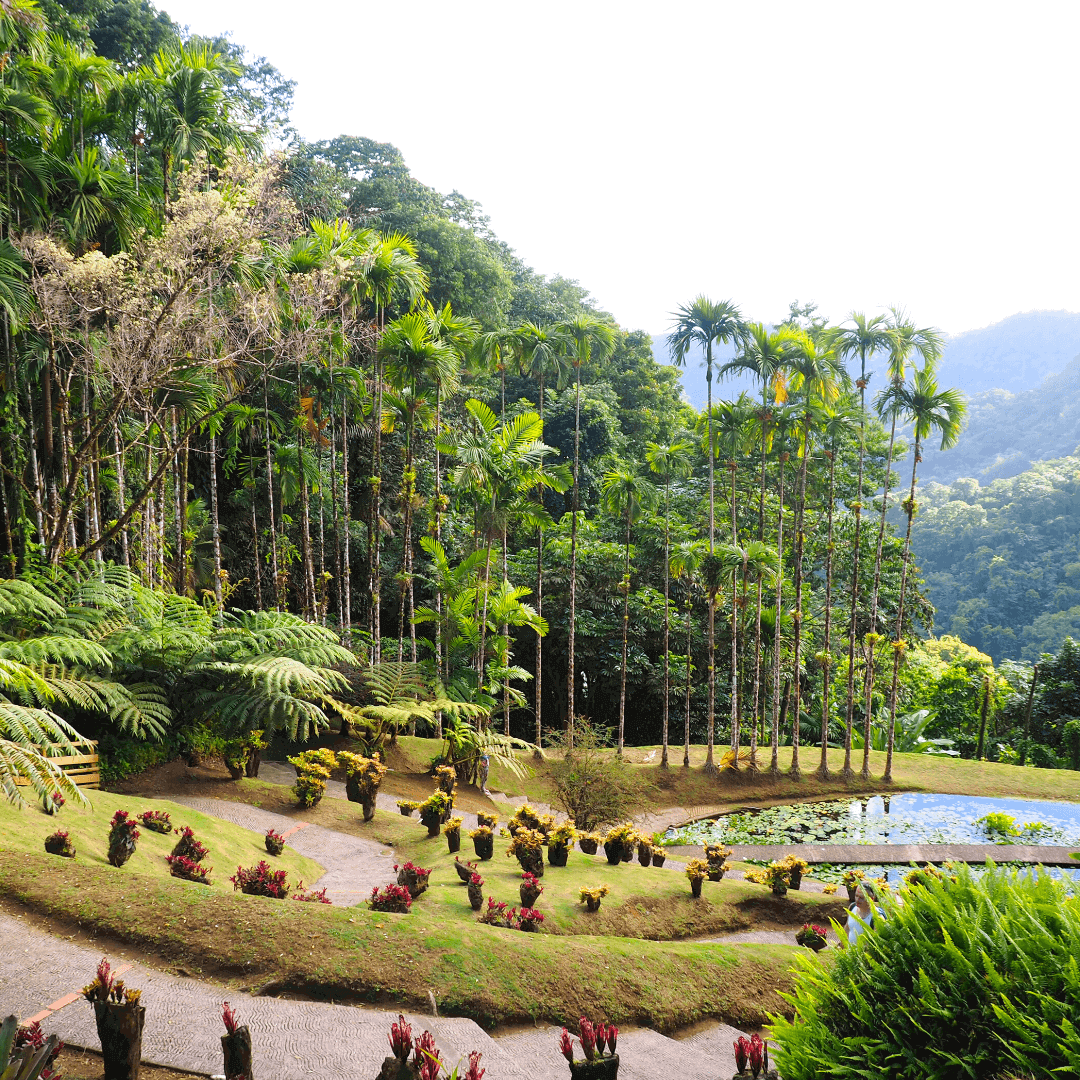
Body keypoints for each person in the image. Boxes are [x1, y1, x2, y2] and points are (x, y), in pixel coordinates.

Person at [844, 881, 883, 947]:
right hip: (849, 954)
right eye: (856, 895)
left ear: (871, 899)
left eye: (861, 898)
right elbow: (847, 928)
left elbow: (877, 946)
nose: (857, 900)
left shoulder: (877, 918)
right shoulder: (852, 907)